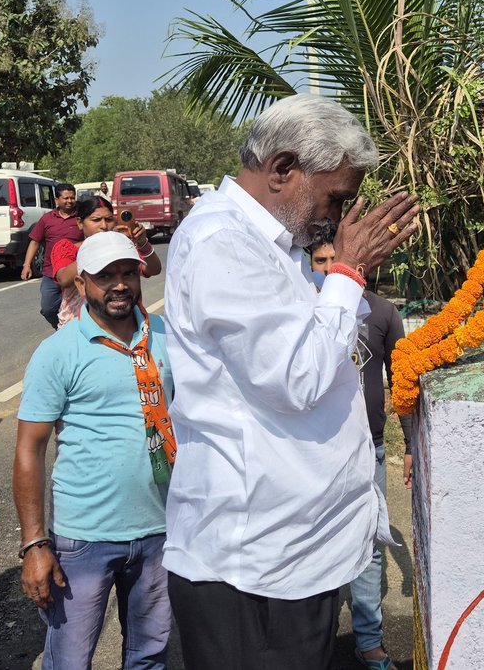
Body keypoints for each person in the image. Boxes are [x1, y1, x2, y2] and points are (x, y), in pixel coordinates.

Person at [163, 93, 419, 670]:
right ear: (283, 170)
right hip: (252, 565)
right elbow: (295, 378)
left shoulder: (276, 248)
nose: (338, 217)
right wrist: (349, 273)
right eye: (336, 197)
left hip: (290, 555)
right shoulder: (221, 242)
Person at [14, 231, 174, 670]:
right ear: (81, 285)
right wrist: (34, 544)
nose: (120, 284)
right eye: (105, 276)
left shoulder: (165, 336)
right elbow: (30, 449)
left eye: (128, 273)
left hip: (161, 530)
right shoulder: (58, 352)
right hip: (85, 537)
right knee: (70, 659)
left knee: (150, 654)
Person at [303, 236, 410, 670]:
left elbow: (402, 382)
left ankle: (368, 640)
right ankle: (314, 642)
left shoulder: (383, 312)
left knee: (368, 547)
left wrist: (411, 450)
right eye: (321, 260)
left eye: (337, 259)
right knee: (313, 545)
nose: (330, 268)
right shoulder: (301, 311)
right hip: (314, 453)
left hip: (373, 452)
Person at [50, 195, 161, 328]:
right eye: (96, 220)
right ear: (80, 223)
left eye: (109, 220)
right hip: (80, 324)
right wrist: (99, 245)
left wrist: (142, 243)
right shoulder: (66, 248)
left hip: (125, 322)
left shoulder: (123, 247)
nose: (103, 226)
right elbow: (64, 279)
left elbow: (154, 269)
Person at [21, 183, 82, 328]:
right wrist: (27, 265)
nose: (69, 201)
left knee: (81, 309)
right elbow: (35, 242)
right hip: (50, 273)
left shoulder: (82, 217)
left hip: (76, 272)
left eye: (72, 198)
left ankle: (78, 334)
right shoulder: (47, 219)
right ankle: (61, 330)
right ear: (56, 200)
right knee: (48, 309)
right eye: (65, 198)